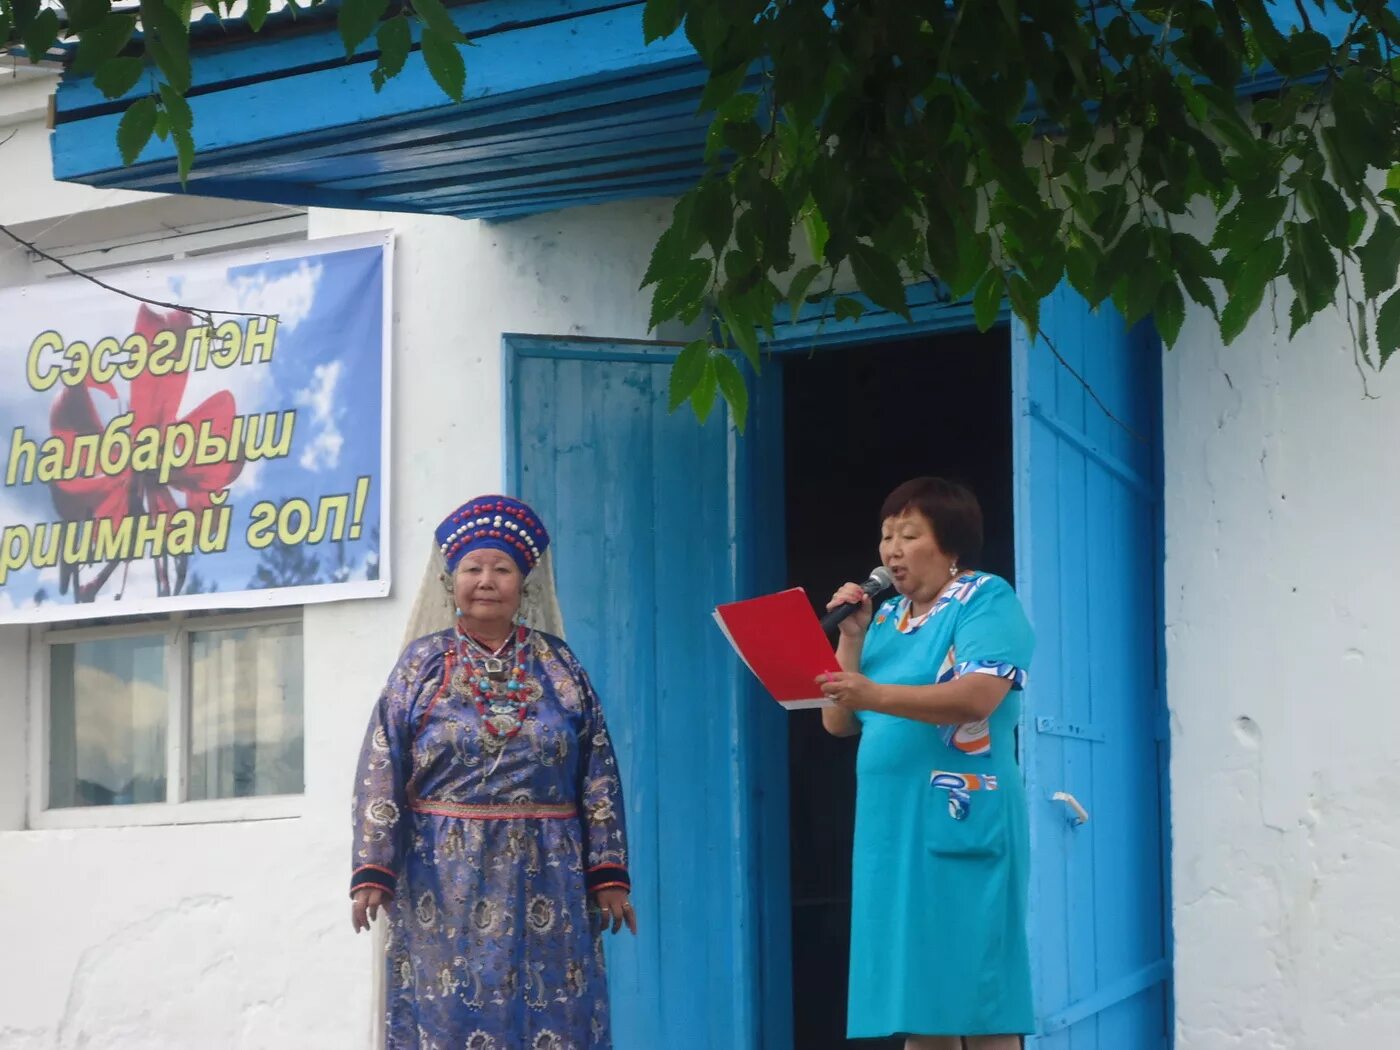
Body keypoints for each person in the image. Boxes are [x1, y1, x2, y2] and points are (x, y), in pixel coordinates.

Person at [350, 495, 636, 1050]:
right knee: (452, 1014)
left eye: (501, 568)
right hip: (444, 876)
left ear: (523, 582)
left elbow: (597, 769)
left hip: (550, 873)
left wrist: (608, 874)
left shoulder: (560, 665)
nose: (486, 580)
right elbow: (382, 763)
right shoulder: (420, 664)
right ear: (451, 581)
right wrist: (373, 869)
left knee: (555, 1013)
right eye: (472, 568)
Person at [817, 477, 1035, 1050]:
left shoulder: (985, 597)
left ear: (950, 544)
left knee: (979, 1000)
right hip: (892, 827)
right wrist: (851, 640)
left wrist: (875, 695)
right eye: (886, 535)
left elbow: (977, 696)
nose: (891, 549)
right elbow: (838, 721)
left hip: (959, 815)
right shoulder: (885, 619)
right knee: (919, 1003)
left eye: (909, 534)